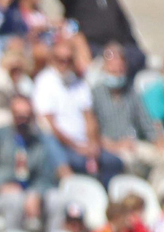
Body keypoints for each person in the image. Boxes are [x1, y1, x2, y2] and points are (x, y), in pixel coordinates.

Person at [0, 95, 67, 231]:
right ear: (12, 115)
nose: (23, 121)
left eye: (27, 117)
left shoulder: (38, 143)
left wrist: (36, 193)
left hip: (26, 193)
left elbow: (46, 176)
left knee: (57, 200)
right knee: (15, 200)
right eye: (19, 116)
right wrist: (0, 183)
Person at [35, 40, 122, 184]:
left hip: (85, 145)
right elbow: (50, 123)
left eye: (68, 60)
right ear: (52, 59)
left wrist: (92, 143)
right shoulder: (45, 82)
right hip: (64, 146)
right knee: (49, 139)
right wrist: (76, 147)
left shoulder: (79, 83)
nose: (64, 64)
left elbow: (89, 116)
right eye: (60, 60)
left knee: (115, 162)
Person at [91, 45, 164, 191]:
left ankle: (153, 195)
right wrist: (113, 145)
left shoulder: (132, 93)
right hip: (109, 147)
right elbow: (91, 130)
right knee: (128, 161)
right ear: (104, 69)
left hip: (133, 145)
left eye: (120, 71)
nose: (117, 75)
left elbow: (146, 123)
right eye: (113, 71)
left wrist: (159, 142)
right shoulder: (94, 94)